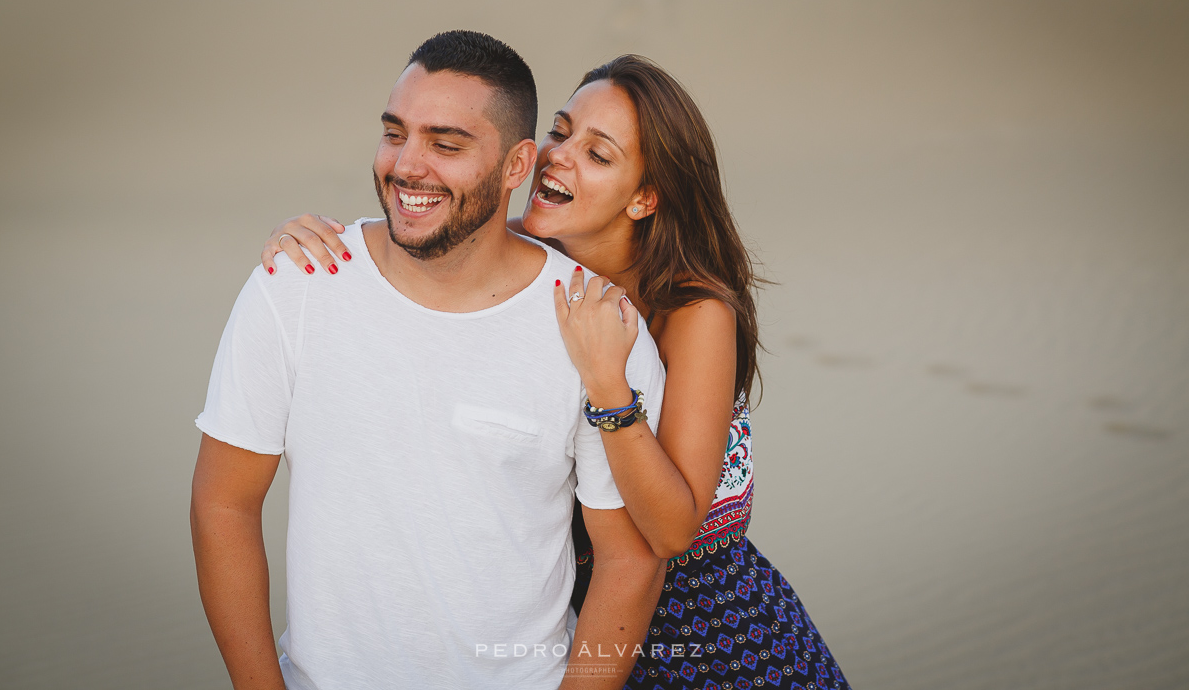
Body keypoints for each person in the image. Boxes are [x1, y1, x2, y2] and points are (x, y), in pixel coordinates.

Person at [265, 55, 853, 689]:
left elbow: (673, 529)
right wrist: (319, 240)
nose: (558, 157)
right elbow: (427, 230)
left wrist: (609, 386)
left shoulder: (693, 309)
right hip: (572, 644)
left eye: (598, 155)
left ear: (645, 198)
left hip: (719, 648)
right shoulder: (527, 259)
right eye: (560, 131)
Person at [190, 31, 670, 690]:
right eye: (395, 134)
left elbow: (631, 559)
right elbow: (223, 505)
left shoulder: (595, 328)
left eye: (446, 145)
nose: (407, 166)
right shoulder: (295, 284)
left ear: (516, 165)